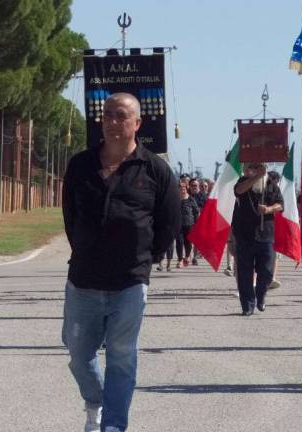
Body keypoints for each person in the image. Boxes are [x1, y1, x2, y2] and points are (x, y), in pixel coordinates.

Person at [61, 92, 180, 432]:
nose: (113, 121)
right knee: (79, 356)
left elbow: (169, 224)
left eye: (121, 115)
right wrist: (85, 249)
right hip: (83, 280)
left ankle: (112, 425)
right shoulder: (80, 165)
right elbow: (71, 217)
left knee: (121, 358)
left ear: (137, 123)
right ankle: (95, 401)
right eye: (107, 114)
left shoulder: (156, 170)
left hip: (129, 283)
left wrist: (143, 261)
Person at [231, 162, 283, 315]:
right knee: (245, 272)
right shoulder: (243, 182)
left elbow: (280, 204)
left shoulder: (270, 184)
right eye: (251, 168)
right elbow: (239, 190)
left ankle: (261, 295)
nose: (253, 170)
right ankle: (247, 305)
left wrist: (269, 209)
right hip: (245, 235)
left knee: (266, 271)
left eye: (257, 168)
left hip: (266, 235)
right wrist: (256, 176)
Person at [175, 183, 199, 268]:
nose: (182, 190)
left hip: (189, 224)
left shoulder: (191, 199)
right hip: (178, 224)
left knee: (188, 243)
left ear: (186, 189)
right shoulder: (175, 199)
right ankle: (180, 260)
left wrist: (196, 223)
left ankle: (187, 256)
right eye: (181, 188)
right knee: (179, 242)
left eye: (184, 188)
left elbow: (196, 212)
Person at [266, 170, 282, 290]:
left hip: (275, 228)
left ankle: (272, 277)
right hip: (264, 229)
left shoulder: (277, 190)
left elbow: (281, 206)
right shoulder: (258, 188)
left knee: (275, 255)